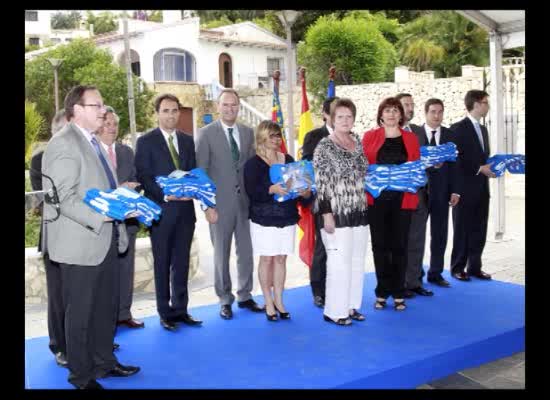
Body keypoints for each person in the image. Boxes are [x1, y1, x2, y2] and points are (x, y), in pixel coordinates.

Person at [42, 85, 139, 389]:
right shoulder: (64, 144)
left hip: (103, 240)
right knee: (80, 314)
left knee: (104, 308)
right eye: (96, 105)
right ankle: (81, 376)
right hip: (79, 243)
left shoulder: (93, 142)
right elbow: (63, 197)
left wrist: (121, 197)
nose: (103, 111)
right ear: (77, 110)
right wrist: (105, 215)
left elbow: (92, 190)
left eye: (102, 105)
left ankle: (104, 363)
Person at [135, 94, 210, 331]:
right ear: (157, 113)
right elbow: (144, 176)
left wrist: (197, 190)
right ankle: (164, 312)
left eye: (175, 110)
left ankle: (181, 310)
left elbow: (193, 173)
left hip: (186, 213)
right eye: (166, 111)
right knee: (162, 264)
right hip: (161, 212)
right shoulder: (146, 142)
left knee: (181, 262)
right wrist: (166, 194)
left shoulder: (188, 141)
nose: (171, 115)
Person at [196, 88, 265, 320]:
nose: (230, 109)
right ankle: (224, 299)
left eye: (234, 105)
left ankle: (245, 295)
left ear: (238, 106)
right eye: (225, 105)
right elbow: (201, 172)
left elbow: (251, 167)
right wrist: (207, 206)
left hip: (244, 203)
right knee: (221, 254)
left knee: (246, 252)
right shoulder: (205, 134)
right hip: (219, 205)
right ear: (218, 107)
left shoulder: (247, 133)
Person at [244, 121, 312, 321]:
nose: (276, 140)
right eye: (272, 136)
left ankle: (279, 300)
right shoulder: (253, 164)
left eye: (278, 135)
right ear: (262, 138)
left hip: (287, 217)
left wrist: (305, 191)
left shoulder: (289, 159)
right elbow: (252, 192)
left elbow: (298, 187)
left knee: (281, 258)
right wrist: (270, 189)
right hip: (263, 219)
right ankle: (268, 302)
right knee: (267, 258)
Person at [313, 98, 369, 326]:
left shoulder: (357, 140)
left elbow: (364, 170)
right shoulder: (324, 146)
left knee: (357, 261)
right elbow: (321, 183)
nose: (345, 121)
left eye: (349, 116)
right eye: (340, 117)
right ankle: (335, 311)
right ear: (331, 119)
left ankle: (351, 305)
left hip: (359, 210)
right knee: (339, 262)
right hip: (336, 213)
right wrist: (327, 214)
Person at [362, 97, 421, 312]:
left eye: (395, 110)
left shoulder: (411, 138)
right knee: (380, 246)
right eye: (387, 110)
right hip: (376, 201)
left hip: (402, 200)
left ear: (401, 115)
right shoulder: (369, 136)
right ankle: (381, 291)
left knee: (400, 246)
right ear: (380, 114)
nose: (391, 114)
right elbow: (363, 167)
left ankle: (398, 292)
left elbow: (416, 168)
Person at [96, 106, 144, 329]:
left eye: (114, 124)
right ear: (98, 126)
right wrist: (119, 188)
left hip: (127, 222)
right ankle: (106, 320)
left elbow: (135, 178)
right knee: (106, 275)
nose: (112, 128)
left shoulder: (126, 152)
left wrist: (133, 188)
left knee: (126, 270)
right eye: (107, 124)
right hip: (103, 224)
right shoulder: (92, 152)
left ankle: (124, 313)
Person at [30, 109, 69, 367]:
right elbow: (45, 199)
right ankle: (59, 346)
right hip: (55, 236)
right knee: (58, 297)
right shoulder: (39, 159)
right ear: (56, 132)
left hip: (85, 238)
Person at [450, 90, 496, 281]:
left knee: (479, 228)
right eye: (486, 102)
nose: (488, 106)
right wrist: (479, 168)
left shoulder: (484, 129)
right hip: (464, 188)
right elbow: (456, 159)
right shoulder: (458, 128)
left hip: (482, 188)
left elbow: (482, 157)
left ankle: (475, 266)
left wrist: (492, 167)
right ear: (476, 104)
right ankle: (457, 267)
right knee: (462, 229)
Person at [301, 96, 338, 308]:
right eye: (334, 111)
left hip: (346, 202)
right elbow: (307, 166)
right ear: (325, 114)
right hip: (322, 200)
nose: (338, 116)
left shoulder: (350, 137)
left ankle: (337, 287)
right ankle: (319, 290)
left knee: (341, 247)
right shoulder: (313, 136)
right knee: (323, 246)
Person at [397, 93, 434, 298]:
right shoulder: (390, 133)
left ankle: (414, 282)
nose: (410, 108)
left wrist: (433, 162)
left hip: (420, 194)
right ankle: (399, 283)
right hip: (400, 195)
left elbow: (425, 156)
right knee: (400, 240)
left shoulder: (420, 131)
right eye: (406, 105)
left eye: (412, 104)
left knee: (418, 239)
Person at [421, 99, 460, 288]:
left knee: (440, 234)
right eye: (433, 112)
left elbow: (456, 166)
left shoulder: (451, 135)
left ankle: (435, 273)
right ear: (426, 113)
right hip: (418, 194)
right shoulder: (414, 134)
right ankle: (413, 275)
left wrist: (455, 191)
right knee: (416, 236)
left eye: (440, 112)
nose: (437, 116)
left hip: (442, 192)